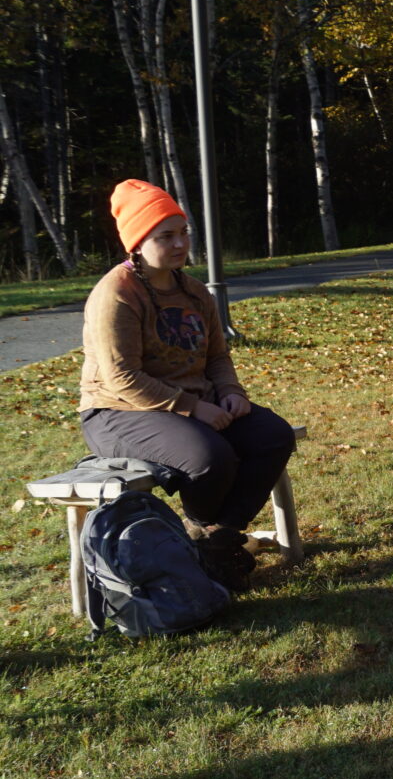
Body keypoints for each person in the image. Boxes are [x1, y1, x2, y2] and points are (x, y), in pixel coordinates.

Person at [78, 180, 298, 590]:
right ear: (137, 242)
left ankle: (216, 540)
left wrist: (232, 393)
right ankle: (203, 537)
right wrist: (194, 408)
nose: (180, 244)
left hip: (195, 402)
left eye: (184, 233)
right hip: (117, 411)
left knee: (272, 435)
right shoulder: (116, 294)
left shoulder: (194, 291)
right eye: (166, 236)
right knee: (209, 457)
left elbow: (216, 356)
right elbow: (120, 377)